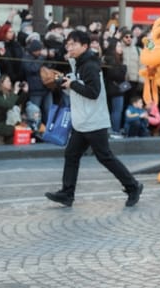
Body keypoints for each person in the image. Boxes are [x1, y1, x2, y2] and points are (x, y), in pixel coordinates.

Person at [44, 30, 144, 208]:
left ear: (84, 46)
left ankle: (133, 186)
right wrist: (66, 83)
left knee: (105, 157)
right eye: (68, 44)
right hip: (82, 121)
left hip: (94, 121)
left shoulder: (89, 65)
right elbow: (79, 88)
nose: (70, 47)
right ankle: (67, 193)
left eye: (73, 44)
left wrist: (72, 84)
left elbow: (93, 93)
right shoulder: (77, 63)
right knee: (72, 154)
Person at [0, 74, 28, 144]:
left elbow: (17, 102)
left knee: (19, 129)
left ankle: (5, 138)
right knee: (15, 129)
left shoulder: (8, 94)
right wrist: (15, 92)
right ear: (1, 84)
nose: (10, 83)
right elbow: (8, 105)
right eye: (8, 81)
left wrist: (24, 92)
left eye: (10, 81)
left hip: (5, 122)